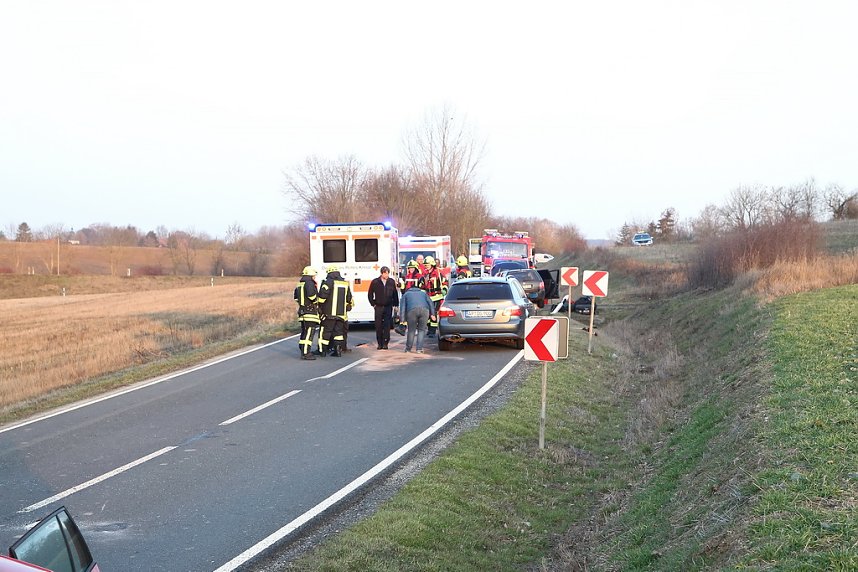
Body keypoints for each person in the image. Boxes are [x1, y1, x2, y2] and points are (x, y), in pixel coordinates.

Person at [317, 265, 353, 357]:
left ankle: (322, 351)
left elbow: (322, 298)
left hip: (329, 314)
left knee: (326, 332)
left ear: (329, 273)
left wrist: (319, 307)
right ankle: (338, 351)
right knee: (338, 333)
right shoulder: (345, 283)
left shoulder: (327, 282)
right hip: (341, 314)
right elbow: (349, 299)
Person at [399, 279, 435, 353]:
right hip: (425, 311)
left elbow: (402, 308)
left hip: (412, 311)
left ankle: (408, 349)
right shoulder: (423, 293)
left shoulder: (406, 294)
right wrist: (433, 314)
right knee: (421, 330)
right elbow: (430, 303)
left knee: (411, 331)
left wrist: (402, 320)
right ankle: (419, 349)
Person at [368, 265, 399, 350]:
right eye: (385, 274)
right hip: (378, 306)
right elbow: (370, 294)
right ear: (381, 273)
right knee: (378, 325)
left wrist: (396, 305)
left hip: (388, 306)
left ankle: (385, 343)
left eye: (388, 274)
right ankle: (379, 343)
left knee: (387, 325)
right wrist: (373, 304)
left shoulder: (391, 282)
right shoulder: (375, 282)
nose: (387, 275)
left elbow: (395, 294)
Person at [294, 266, 321, 360]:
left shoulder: (300, 284)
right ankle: (306, 353)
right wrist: (316, 301)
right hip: (310, 312)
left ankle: (302, 349)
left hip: (302, 311)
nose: (314, 277)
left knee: (304, 331)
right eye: (314, 275)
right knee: (310, 332)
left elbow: (296, 298)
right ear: (311, 275)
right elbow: (312, 296)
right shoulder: (309, 283)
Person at [421, 256, 446, 338]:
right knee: (427, 314)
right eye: (425, 265)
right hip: (427, 297)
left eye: (427, 265)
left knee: (433, 314)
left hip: (437, 297)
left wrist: (444, 290)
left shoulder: (438, 272)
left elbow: (445, 283)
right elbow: (423, 285)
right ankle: (429, 329)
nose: (426, 266)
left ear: (432, 264)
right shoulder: (425, 273)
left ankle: (432, 331)